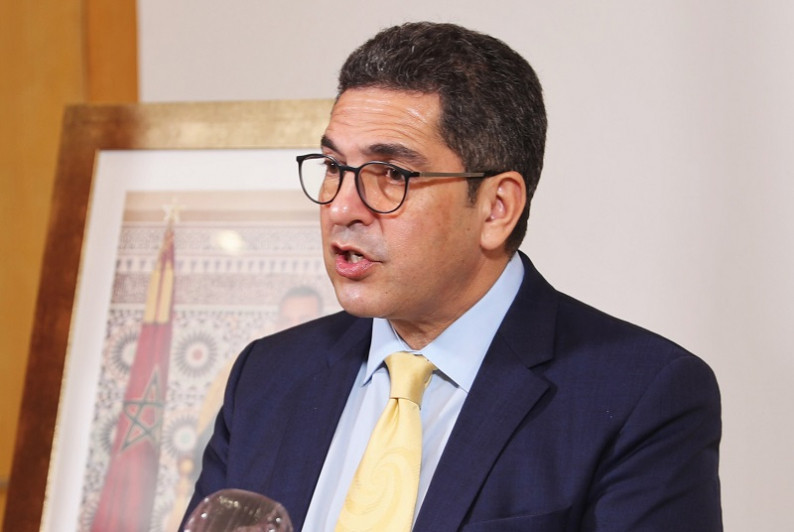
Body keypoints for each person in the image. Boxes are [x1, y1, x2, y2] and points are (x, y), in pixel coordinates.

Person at [183, 22, 722, 531]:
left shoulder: (641, 397)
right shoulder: (267, 376)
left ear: (496, 208)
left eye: (391, 174)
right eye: (333, 167)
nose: (342, 207)